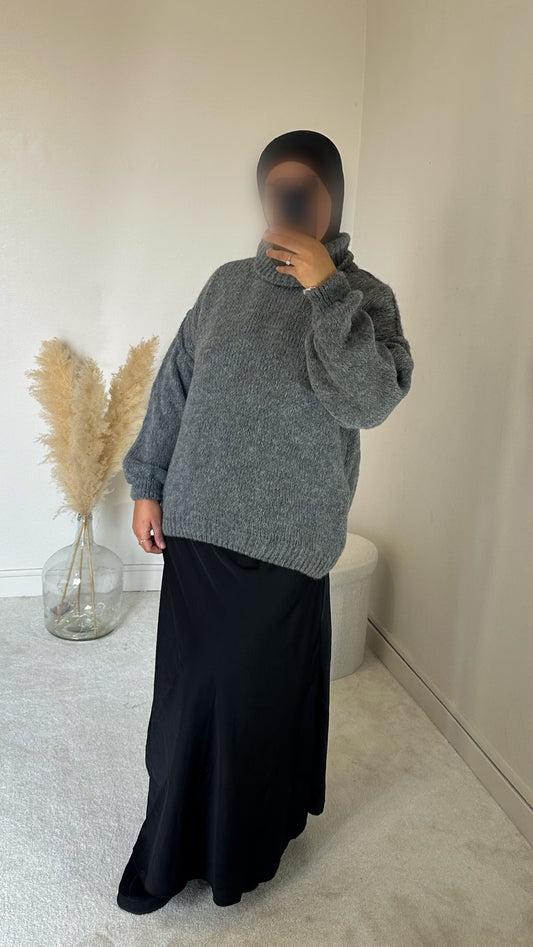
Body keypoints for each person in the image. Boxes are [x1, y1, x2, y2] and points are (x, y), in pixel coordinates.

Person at [117, 129, 414, 913]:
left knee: (257, 700)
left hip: (288, 539)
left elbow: (368, 401)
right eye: (276, 188)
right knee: (187, 698)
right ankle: (170, 848)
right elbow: (176, 384)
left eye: (305, 188)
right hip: (199, 522)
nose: (289, 202)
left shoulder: (364, 296)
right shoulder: (225, 285)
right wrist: (148, 482)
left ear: (333, 196)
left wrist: (325, 291)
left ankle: (246, 846)